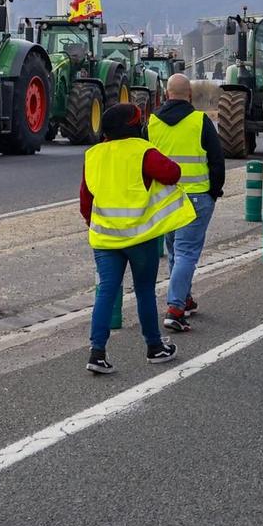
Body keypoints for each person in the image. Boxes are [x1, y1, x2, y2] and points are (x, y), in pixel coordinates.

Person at [82, 102, 193, 374]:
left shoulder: (93, 154)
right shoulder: (142, 151)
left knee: (106, 291)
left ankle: (97, 353)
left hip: (105, 239)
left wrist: (96, 224)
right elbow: (172, 173)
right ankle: (154, 347)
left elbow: (86, 201)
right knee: (144, 290)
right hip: (140, 239)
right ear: (135, 126)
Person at [148, 73, 224, 332]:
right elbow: (217, 161)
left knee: (174, 251)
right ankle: (175, 308)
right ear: (189, 94)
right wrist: (214, 191)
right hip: (196, 197)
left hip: (165, 198)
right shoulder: (200, 121)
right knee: (186, 254)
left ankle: (185, 297)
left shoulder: (152, 123)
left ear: (167, 94)